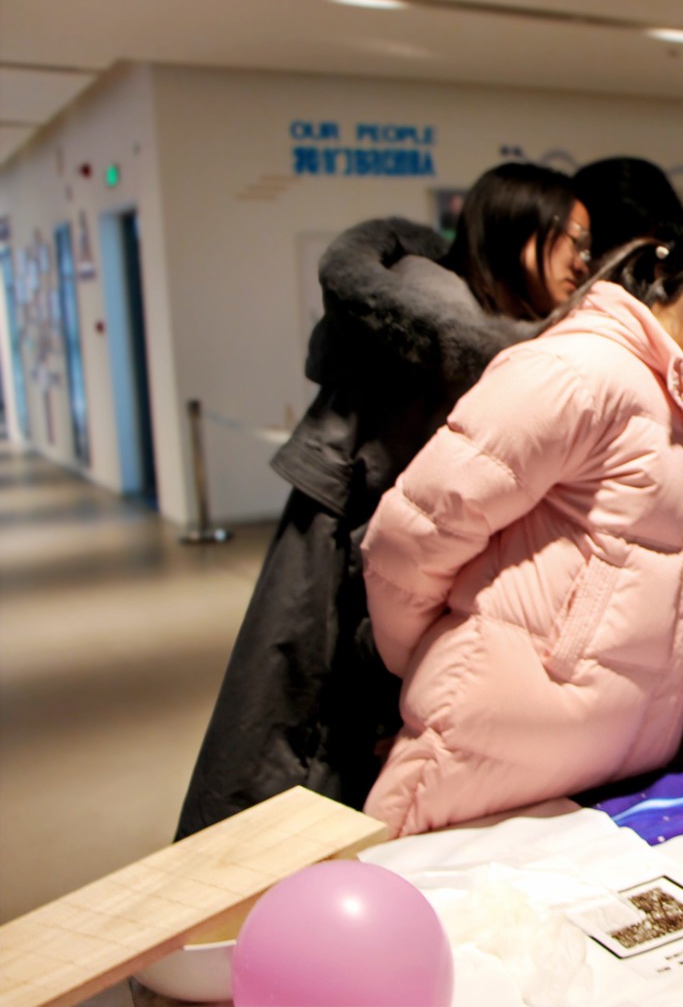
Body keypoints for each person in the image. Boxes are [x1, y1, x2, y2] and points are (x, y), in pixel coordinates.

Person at [175, 162, 589, 838]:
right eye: (574, 238)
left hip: (352, 588)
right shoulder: (438, 343)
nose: (583, 261)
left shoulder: (449, 325)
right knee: (307, 777)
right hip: (356, 600)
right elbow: (400, 533)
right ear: (520, 228)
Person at [360, 224, 683, 835]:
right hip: (485, 749)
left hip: (585, 770)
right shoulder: (580, 370)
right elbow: (413, 533)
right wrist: (425, 662)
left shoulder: (669, 404)